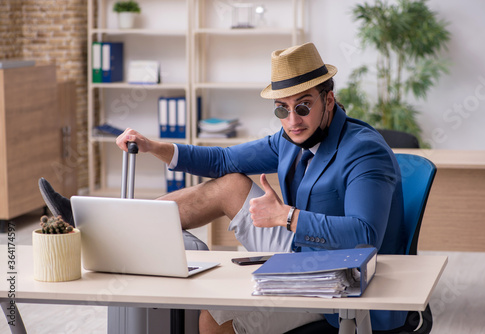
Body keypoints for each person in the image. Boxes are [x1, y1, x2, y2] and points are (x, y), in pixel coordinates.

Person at [40, 42, 416, 333]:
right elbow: (223, 161)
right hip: (301, 251)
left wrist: (286, 216)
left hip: (340, 278)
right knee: (231, 184)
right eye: (282, 109)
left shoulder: (364, 151)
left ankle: (112, 229)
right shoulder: (289, 137)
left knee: (213, 316)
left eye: (303, 106)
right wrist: (157, 147)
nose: (292, 119)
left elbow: (365, 236)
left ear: (328, 100)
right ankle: (106, 227)